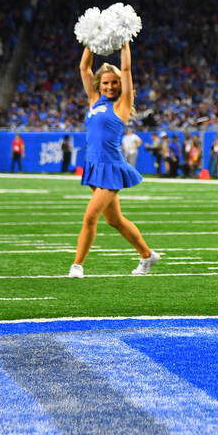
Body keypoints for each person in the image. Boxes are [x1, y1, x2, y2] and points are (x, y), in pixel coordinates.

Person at [69, 45, 160, 278]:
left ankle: (77, 265)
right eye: (106, 83)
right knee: (115, 220)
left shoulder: (122, 104)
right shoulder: (94, 100)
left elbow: (127, 68)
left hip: (111, 168)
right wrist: (91, 41)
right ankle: (147, 255)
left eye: (114, 82)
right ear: (99, 85)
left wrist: (125, 43)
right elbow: (84, 67)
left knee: (90, 216)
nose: (110, 86)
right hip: (92, 166)